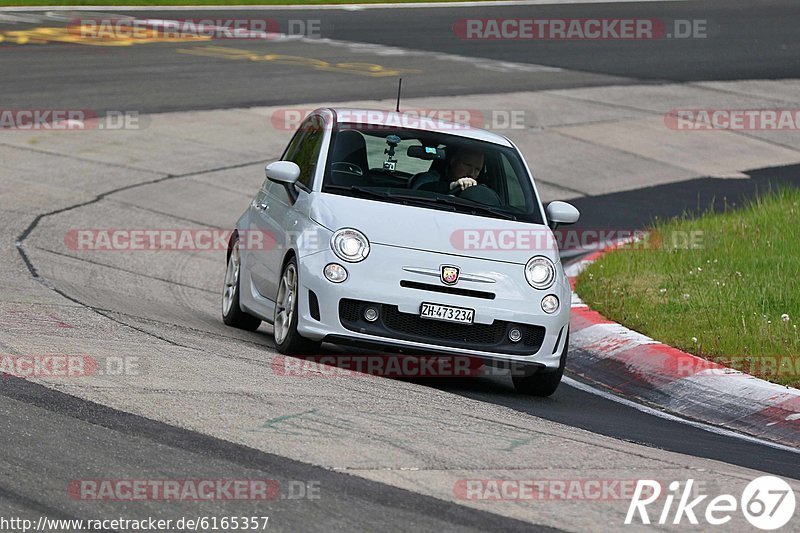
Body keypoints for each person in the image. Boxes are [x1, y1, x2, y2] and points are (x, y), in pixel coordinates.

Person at [412, 147, 485, 194]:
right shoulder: (431, 178)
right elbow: (416, 192)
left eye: (477, 169)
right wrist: (452, 186)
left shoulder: (480, 190)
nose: (471, 173)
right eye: (467, 165)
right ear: (453, 161)